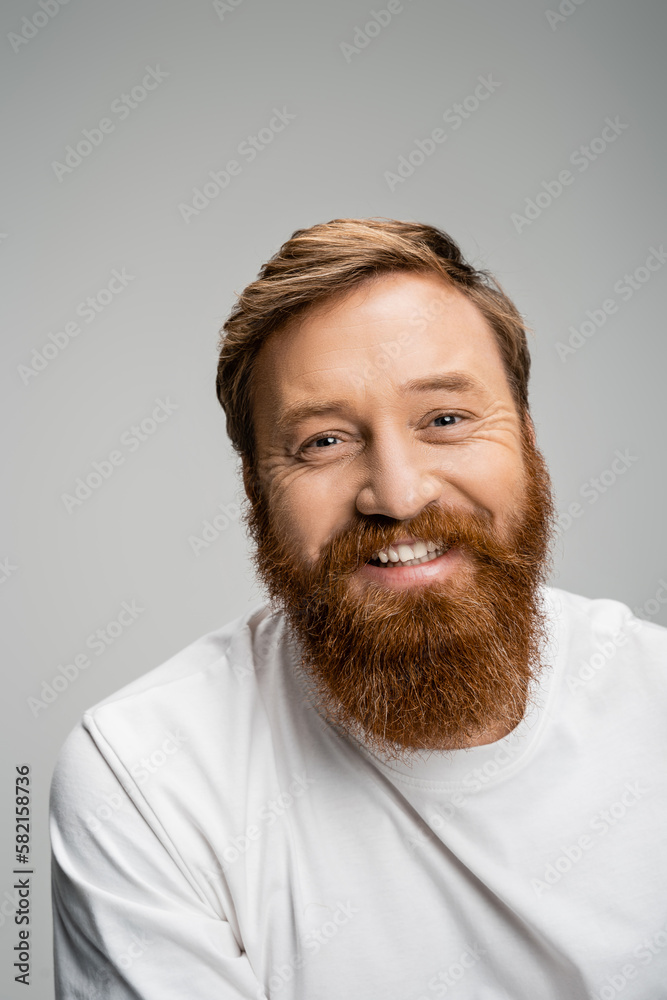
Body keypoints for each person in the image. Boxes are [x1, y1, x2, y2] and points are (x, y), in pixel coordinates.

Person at [50, 218, 667, 999]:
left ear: (528, 440)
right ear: (255, 490)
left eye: (445, 419)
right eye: (324, 442)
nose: (398, 493)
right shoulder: (146, 774)